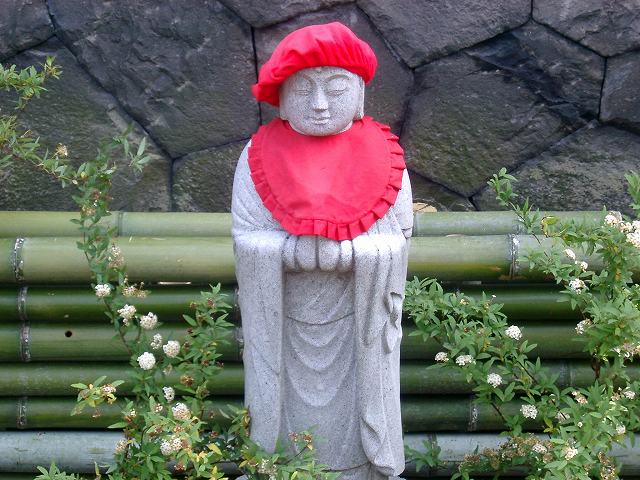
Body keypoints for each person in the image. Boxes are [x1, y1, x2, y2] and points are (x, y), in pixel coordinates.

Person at [231, 22, 412, 480]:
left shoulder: (386, 157)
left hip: (358, 321)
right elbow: (246, 237)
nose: (318, 104)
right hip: (283, 320)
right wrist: (290, 252)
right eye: (302, 90)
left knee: (357, 405)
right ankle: (279, 466)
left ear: (360, 95)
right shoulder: (256, 156)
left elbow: (399, 239)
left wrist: (356, 256)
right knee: (284, 411)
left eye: (335, 90)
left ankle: (361, 468)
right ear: (281, 97)